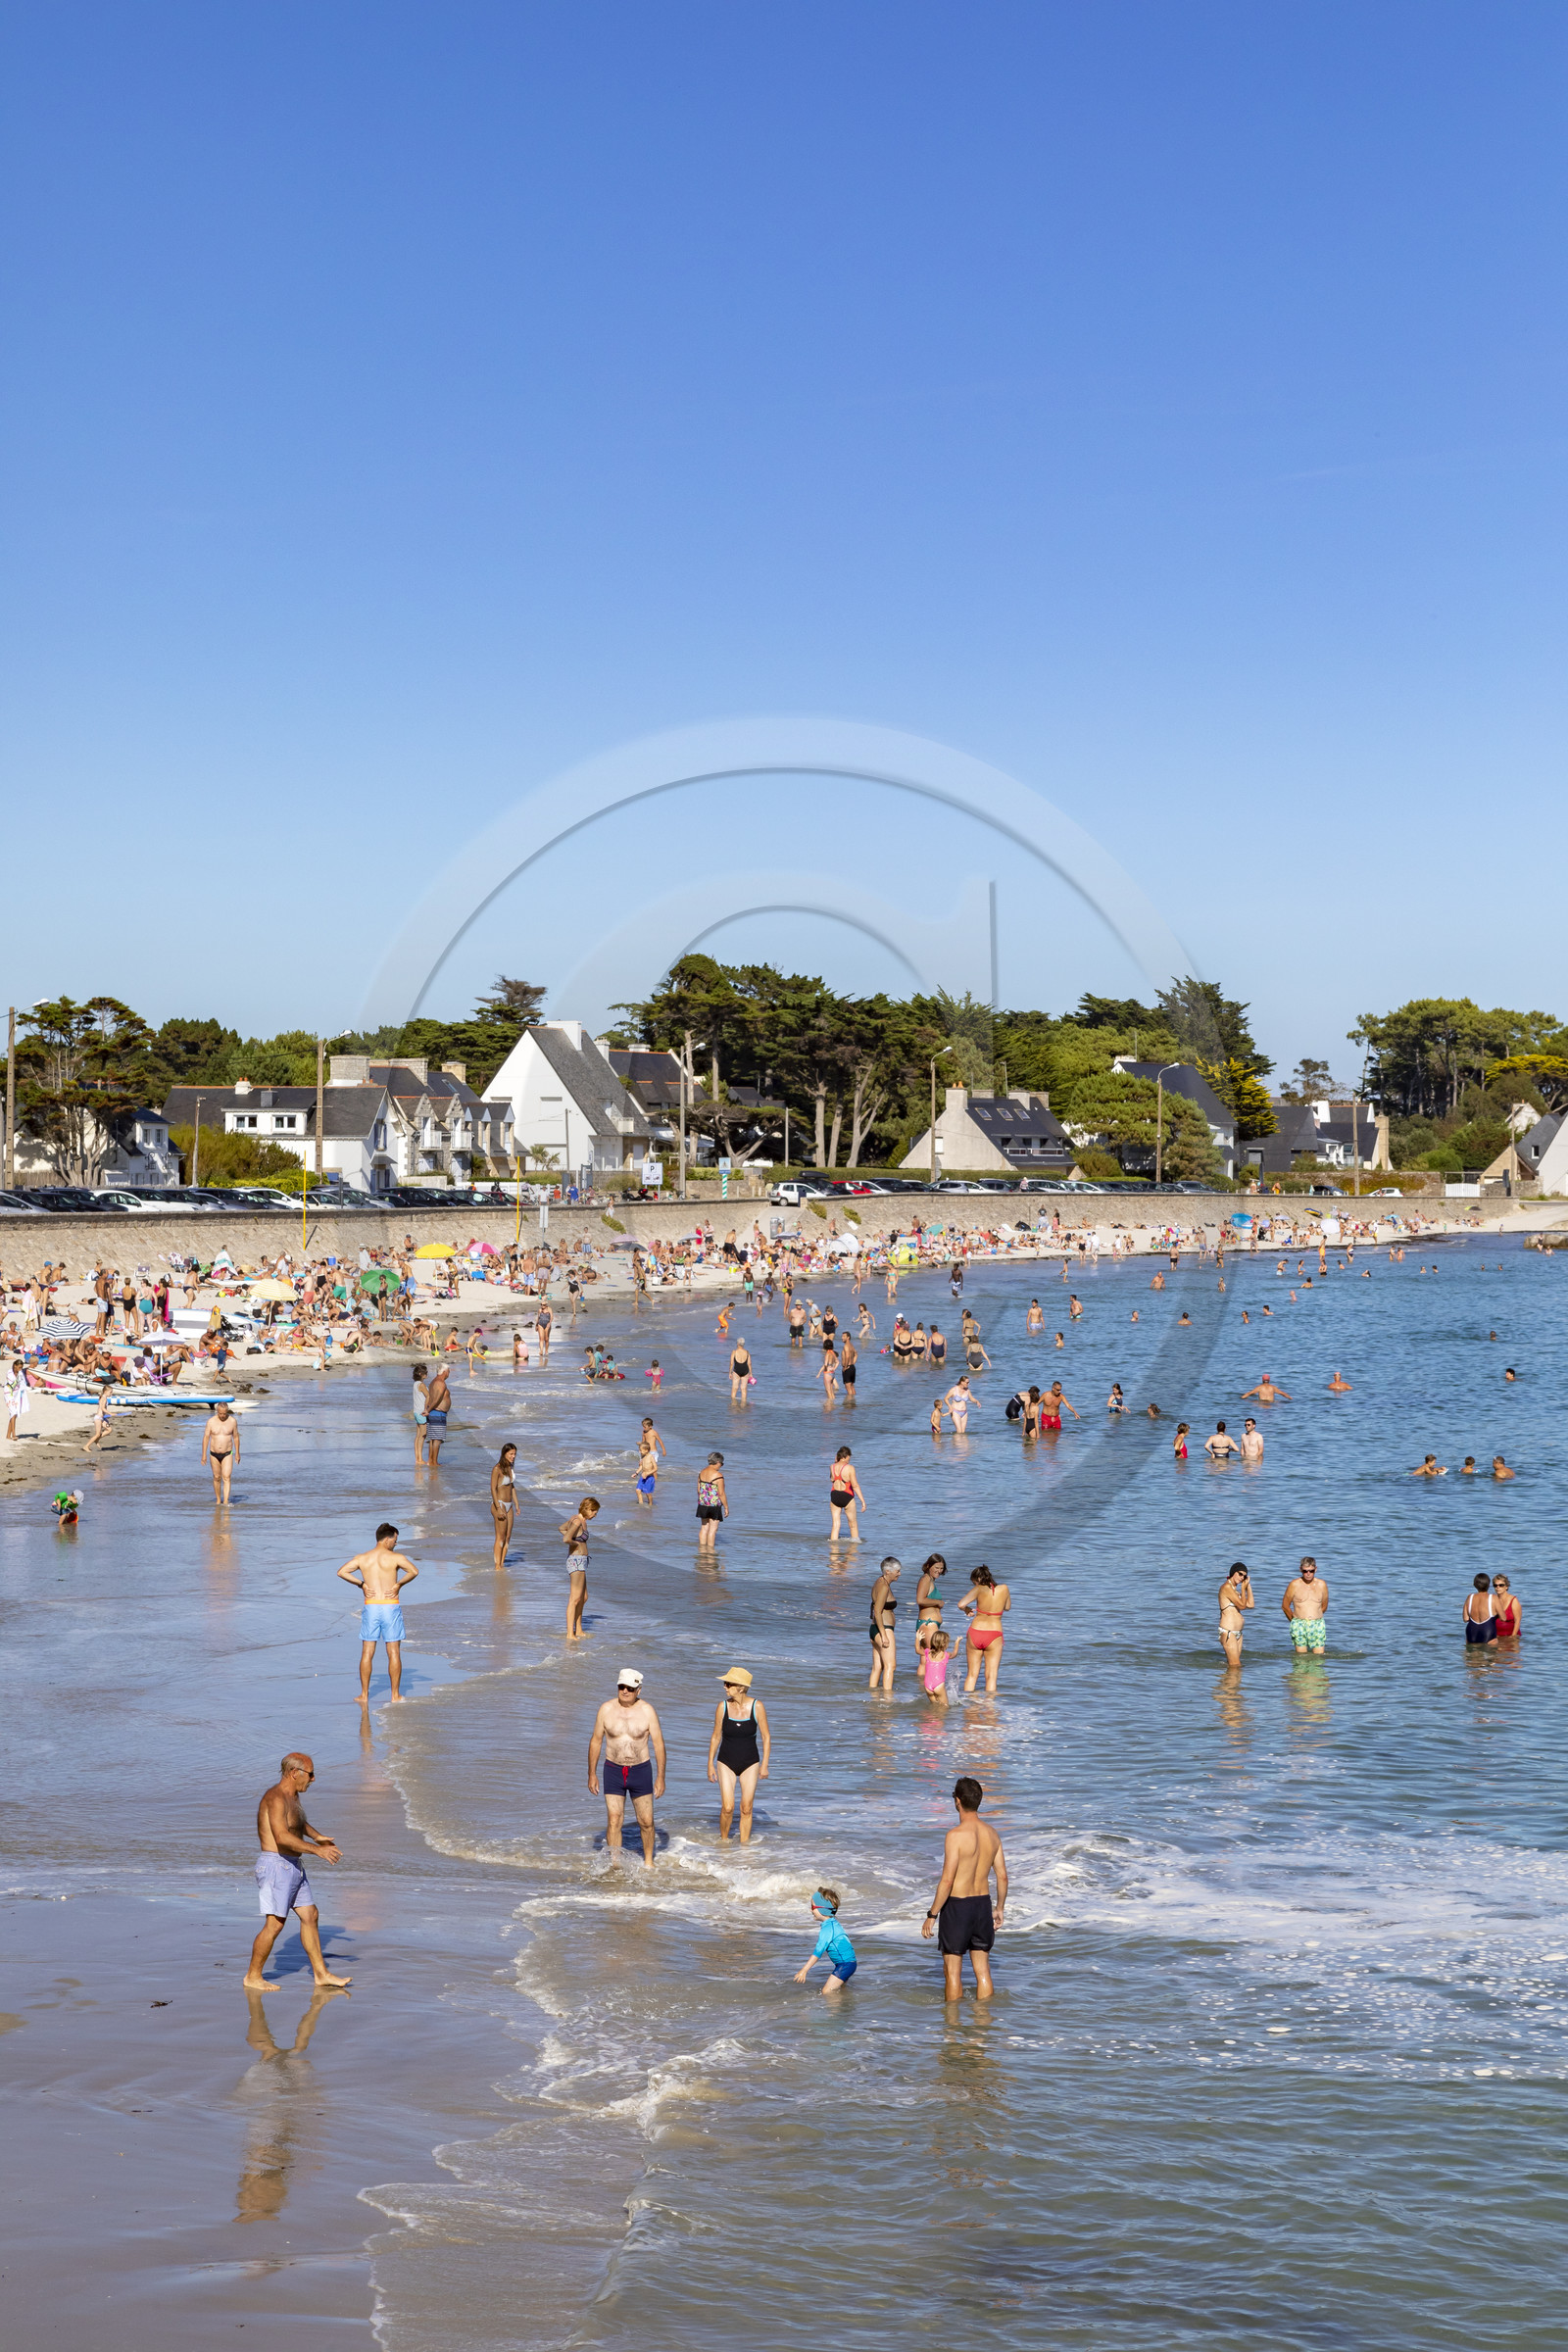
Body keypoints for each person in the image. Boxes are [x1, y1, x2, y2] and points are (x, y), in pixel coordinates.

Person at [244, 1753, 351, 1990]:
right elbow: (282, 1837)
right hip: (275, 1866)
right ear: (295, 1773)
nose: (313, 1779)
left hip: (292, 1866)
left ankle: (321, 1974)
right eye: (310, 1774)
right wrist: (317, 1851)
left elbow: (297, 1823)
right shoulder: (275, 1798)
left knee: (310, 1915)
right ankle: (253, 1976)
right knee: (275, 1924)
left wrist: (317, 1837)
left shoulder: (293, 1796)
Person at [921, 1777, 1006, 2000]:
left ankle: (952, 2030)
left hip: (958, 1907)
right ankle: (982, 2026)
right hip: (982, 1905)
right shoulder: (992, 1834)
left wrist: (932, 1915)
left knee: (952, 1973)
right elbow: (1003, 1876)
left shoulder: (955, 1836)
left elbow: (947, 1881)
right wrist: (999, 1908)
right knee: (983, 1971)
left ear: (957, 1801)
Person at [588, 1669, 665, 1864]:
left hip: (640, 1770)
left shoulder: (647, 1711)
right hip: (613, 1769)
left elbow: (658, 1744)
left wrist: (660, 1777)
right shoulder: (606, 1709)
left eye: (630, 1688)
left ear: (638, 1690)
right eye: (621, 1687)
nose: (624, 1691)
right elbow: (596, 1741)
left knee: (646, 1822)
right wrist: (592, 1774)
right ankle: (615, 1863)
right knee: (614, 1819)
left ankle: (649, 1862)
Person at [338, 1521, 419, 1702]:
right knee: (394, 1652)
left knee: (367, 1651)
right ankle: (395, 1695)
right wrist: (398, 1584)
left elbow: (342, 1572)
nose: (396, 1544)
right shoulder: (395, 1557)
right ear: (386, 1539)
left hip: (371, 1606)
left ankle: (364, 1695)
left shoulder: (363, 1557)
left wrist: (362, 1584)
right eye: (395, 1540)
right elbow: (414, 1571)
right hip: (390, 1606)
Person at [707, 1667, 770, 1841]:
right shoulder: (723, 1706)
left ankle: (744, 1849)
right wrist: (710, 1764)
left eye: (728, 1683)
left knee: (746, 1807)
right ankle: (724, 1843)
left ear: (741, 1687)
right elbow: (715, 1736)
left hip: (750, 1762)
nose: (724, 1687)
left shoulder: (757, 1707)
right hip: (726, 1761)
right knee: (727, 1807)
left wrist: (764, 1764)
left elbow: (766, 1736)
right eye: (724, 1683)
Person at [795, 1887, 857, 1995]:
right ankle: (845, 2009)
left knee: (826, 1991)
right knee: (839, 1990)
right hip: (848, 1964)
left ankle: (835, 2011)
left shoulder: (828, 1928)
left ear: (822, 1909)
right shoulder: (832, 1923)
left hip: (845, 1965)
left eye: (812, 1907)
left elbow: (818, 1951)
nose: (810, 1910)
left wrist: (804, 1970)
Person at [960, 1565, 1009, 1692]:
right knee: (991, 1677)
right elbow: (1007, 1607)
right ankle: (990, 1709)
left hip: (976, 1631)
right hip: (994, 1633)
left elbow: (961, 1604)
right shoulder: (1004, 1588)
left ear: (977, 1580)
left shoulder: (978, 1589)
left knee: (971, 1675)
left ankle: (968, 1708)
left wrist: (967, 1610)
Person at [560, 1496, 600, 1639]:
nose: (595, 1515)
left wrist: (575, 1540)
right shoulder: (577, 1521)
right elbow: (565, 1538)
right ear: (588, 1509)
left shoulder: (579, 1520)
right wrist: (575, 1544)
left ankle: (579, 1629)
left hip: (581, 1561)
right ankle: (570, 1634)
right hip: (575, 1561)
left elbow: (562, 1528)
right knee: (575, 1599)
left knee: (584, 1597)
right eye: (594, 1511)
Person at [1281, 1556, 1329, 1653]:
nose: (1308, 1574)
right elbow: (1285, 1606)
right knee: (1301, 1659)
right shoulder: (1294, 1584)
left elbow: (1324, 1606)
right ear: (1300, 1570)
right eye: (1305, 1571)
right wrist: (1295, 1621)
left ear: (1315, 1569)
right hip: (1299, 1624)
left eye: (1311, 1571)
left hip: (1317, 1624)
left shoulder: (1322, 1584)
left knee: (1319, 1659)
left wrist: (1314, 1617)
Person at [867, 1555, 901, 1690]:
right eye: (897, 1571)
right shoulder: (883, 1586)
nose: (899, 1573)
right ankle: (887, 1699)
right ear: (888, 1571)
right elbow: (877, 1610)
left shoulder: (880, 1582)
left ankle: (873, 1696)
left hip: (875, 1629)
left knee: (878, 1667)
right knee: (890, 1666)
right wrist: (884, 1635)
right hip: (883, 1629)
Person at [202, 1399, 240, 1503]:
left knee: (226, 1477)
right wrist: (203, 1455)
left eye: (224, 1413)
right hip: (213, 1454)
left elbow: (236, 1437)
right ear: (217, 1411)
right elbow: (206, 1437)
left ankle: (226, 1501)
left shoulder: (232, 1421)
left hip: (227, 1453)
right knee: (216, 1477)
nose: (222, 1416)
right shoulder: (211, 1421)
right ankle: (218, 1500)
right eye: (220, 1413)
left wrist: (237, 1453)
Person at [1218, 1561, 1253, 1664]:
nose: (1242, 1577)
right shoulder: (1226, 1588)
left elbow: (1250, 1604)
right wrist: (1243, 1588)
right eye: (1240, 1574)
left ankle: (1226, 1680)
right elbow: (1242, 1606)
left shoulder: (1235, 1591)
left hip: (1238, 1633)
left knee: (1234, 1667)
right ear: (1233, 1572)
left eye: (1245, 1576)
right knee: (1235, 1666)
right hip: (1228, 1632)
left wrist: (1248, 1586)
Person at [490, 1444, 517, 1569]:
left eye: (514, 1454)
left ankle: (502, 1563)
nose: (513, 1456)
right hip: (499, 1504)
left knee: (507, 1537)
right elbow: (493, 1489)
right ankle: (497, 1566)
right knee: (500, 1537)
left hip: (509, 1505)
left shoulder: (510, 1467)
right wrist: (498, 1507)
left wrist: (517, 1504)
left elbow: (511, 1487)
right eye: (511, 1454)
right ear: (504, 1453)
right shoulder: (497, 1468)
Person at [829, 1446, 866, 1540]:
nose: (849, 1460)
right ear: (846, 1456)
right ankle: (853, 1551)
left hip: (834, 1496)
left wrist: (835, 1460)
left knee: (835, 1525)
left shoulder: (832, 1467)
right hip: (847, 1496)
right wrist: (863, 1501)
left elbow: (832, 1479)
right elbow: (855, 1485)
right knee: (853, 1525)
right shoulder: (850, 1468)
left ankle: (833, 1551)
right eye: (849, 1457)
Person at [696, 1452, 727, 1550]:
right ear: (717, 1462)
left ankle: (702, 1550)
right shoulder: (718, 1475)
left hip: (702, 1503)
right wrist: (726, 1507)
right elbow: (721, 1493)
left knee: (704, 1527)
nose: (721, 1466)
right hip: (714, 1505)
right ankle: (710, 1552)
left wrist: (703, 1500)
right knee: (713, 1530)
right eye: (721, 1464)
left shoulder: (701, 1473)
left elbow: (698, 1490)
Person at [423, 1364, 451, 1464]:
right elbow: (437, 1398)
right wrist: (428, 1410)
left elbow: (430, 1397)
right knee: (437, 1439)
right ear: (445, 1371)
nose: (449, 1373)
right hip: (437, 1413)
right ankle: (434, 1462)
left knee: (433, 1438)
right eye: (449, 1370)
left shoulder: (434, 1381)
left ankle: (431, 1460)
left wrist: (428, 1410)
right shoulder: (440, 1383)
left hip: (434, 1412)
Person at [1463, 1574, 1497, 1645]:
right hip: (1488, 1630)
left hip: (1471, 1631)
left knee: (1471, 1655)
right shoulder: (1493, 1597)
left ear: (1474, 1585)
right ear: (1488, 1585)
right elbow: (1503, 1617)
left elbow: (1465, 1619)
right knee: (1492, 1654)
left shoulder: (1470, 1597)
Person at [921, 1626, 952, 1707]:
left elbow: (917, 1650)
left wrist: (917, 1639)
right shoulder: (946, 1655)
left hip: (927, 1685)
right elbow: (954, 1654)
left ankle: (931, 1719)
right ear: (944, 1644)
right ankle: (940, 1720)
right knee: (945, 1707)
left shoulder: (927, 1652)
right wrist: (957, 1644)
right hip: (938, 1684)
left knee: (934, 1706)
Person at [1493, 1574, 1521, 1638]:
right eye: (1495, 1585)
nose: (1498, 1587)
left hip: (1511, 1636)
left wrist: (1513, 1637)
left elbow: (1517, 1621)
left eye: (1501, 1585)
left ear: (1506, 1586)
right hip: (1496, 1637)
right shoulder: (1493, 1600)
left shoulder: (1513, 1600)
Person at [412, 1364, 429, 1463]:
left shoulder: (415, 1383)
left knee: (418, 1435)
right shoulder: (421, 1385)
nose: (427, 1374)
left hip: (416, 1411)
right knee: (423, 1434)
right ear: (420, 1374)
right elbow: (428, 1396)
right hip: (421, 1412)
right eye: (425, 1373)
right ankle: (420, 1459)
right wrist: (426, 1408)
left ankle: (417, 1458)